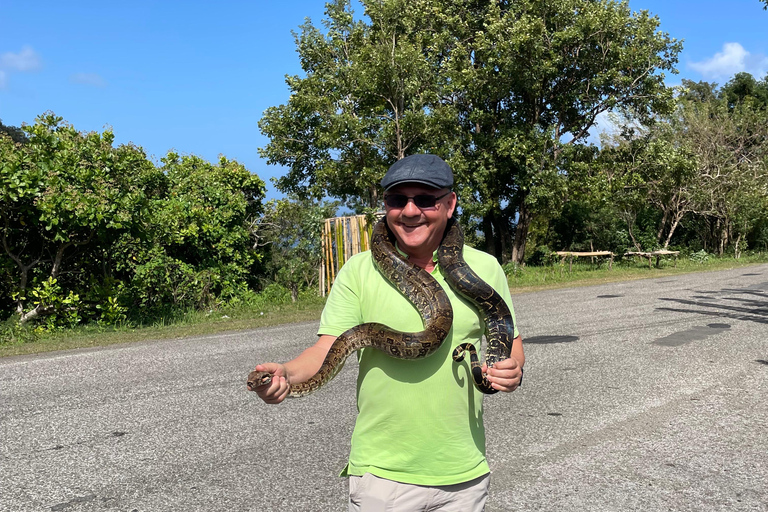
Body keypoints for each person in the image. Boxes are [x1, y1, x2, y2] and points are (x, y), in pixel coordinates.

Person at [252, 154, 524, 512]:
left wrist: (512, 370)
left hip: (463, 472)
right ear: (386, 207)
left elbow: (509, 340)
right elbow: (331, 347)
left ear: (449, 204)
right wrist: (286, 373)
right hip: (383, 476)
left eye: (425, 199)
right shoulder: (358, 271)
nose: (411, 211)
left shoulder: (484, 268)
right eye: (398, 201)